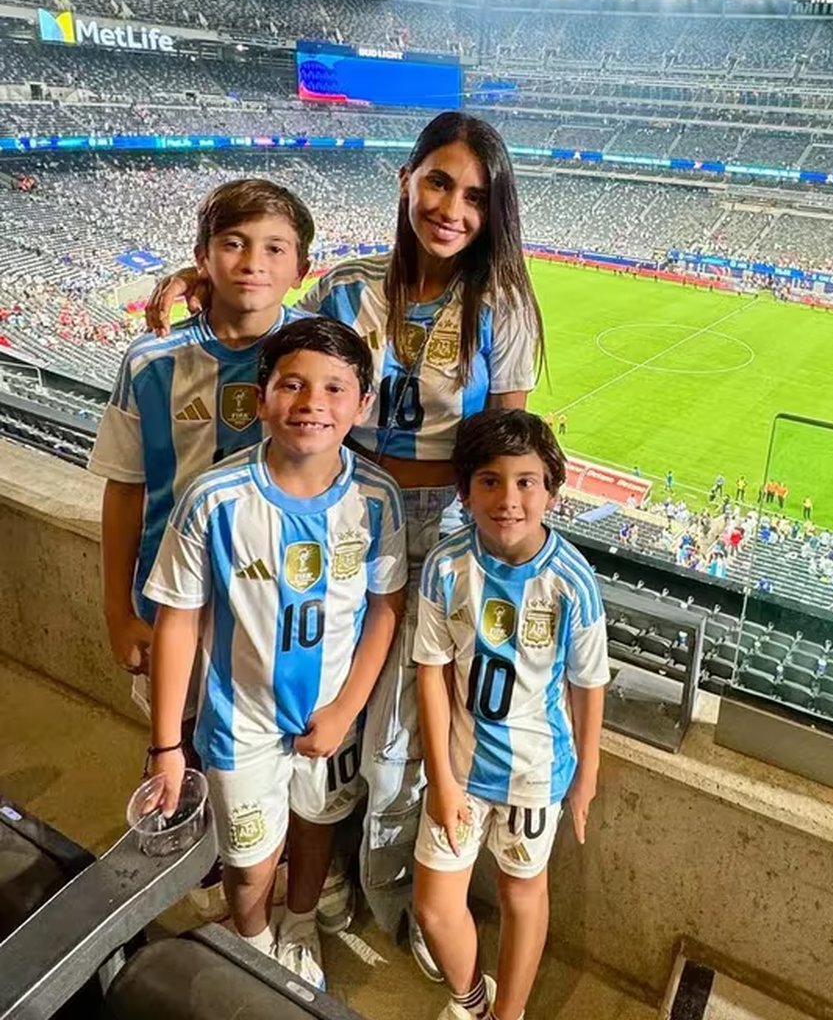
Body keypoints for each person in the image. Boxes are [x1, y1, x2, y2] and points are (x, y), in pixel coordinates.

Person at [144, 111, 545, 971]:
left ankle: (403, 899)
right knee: (314, 696)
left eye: (476, 195)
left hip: (439, 537)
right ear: (406, 180)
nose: (452, 208)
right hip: (341, 513)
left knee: (410, 731)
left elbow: (505, 444)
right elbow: (281, 342)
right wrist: (200, 283)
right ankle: (300, 877)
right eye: (438, 181)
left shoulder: (503, 306)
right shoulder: (347, 286)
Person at [141, 317, 407, 988]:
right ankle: (254, 939)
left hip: (331, 715)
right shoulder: (213, 497)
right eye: (292, 384)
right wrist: (167, 745)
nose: (313, 403)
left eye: (334, 388)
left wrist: (347, 708)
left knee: (319, 823)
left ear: (362, 404)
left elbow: (386, 609)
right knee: (249, 854)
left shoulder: (377, 500)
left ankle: (299, 920)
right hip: (241, 722)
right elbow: (177, 622)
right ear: (261, 398)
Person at [412, 410, 608, 1020]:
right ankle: (470, 1000)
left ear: (552, 489)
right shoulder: (446, 566)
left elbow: (587, 683)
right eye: (490, 481)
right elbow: (432, 673)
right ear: (464, 489)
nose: (509, 498)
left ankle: (509, 1014)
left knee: (521, 893)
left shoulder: (572, 582)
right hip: (463, 771)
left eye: (526, 481)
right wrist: (441, 777)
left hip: (534, 776)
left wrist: (585, 776)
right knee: (435, 906)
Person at [90, 179, 313, 693]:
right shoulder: (151, 360)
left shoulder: (317, 354)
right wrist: (117, 612)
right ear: (202, 258)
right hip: (172, 599)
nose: (253, 262)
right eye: (233, 243)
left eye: (274, 248)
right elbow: (125, 488)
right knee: (174, 745)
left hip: (280, 600)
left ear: (300, 270)